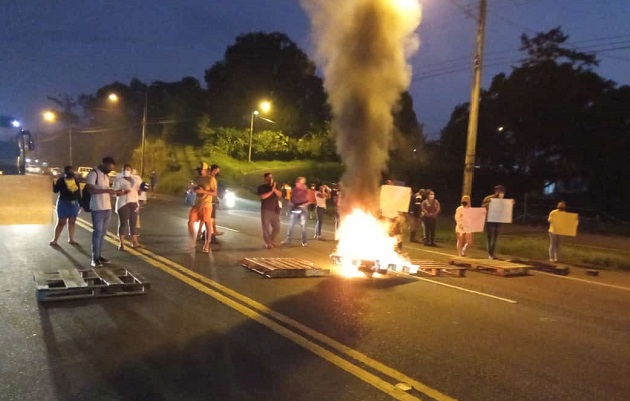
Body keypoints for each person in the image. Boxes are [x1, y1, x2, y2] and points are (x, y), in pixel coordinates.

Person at [86, 157, 124, 267]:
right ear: (103, 163)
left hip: (107, 208)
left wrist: (116, 193)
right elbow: (90, 189)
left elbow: (106, 191)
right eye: (109, 168)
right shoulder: (93, 174)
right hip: (97, 208)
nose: (109, 171)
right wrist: (107, 190)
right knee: (97, 233)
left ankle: (99, 256)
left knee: (102, 234)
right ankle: (95, 258)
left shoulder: (106, 175)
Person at [187, 162, 217, 253]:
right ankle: (193, 240)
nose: (200, 171)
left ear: (206, 170)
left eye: (201, 169)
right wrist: (192, 189)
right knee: (190, 222)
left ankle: (207, 244)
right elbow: (192, 189)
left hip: (206, 205)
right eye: (199, 169)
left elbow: (215, 193)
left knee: (207, 224)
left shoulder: (211, 179)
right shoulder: (197, 178)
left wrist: (204, 191)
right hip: (197, 204)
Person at [49, 165, 81, 246]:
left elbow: (78, 193)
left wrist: (80, 204)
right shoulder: (61, 180)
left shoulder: (75, 180)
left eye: (72, 171)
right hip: (63, 203)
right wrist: (52, 182)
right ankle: (55, 240)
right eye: (69, 171)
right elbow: (55, 190)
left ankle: (71, 239)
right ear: (65, 172)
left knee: (72, 222)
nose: (71, 172)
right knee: (61, 222)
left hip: (74, 203)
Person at [113, 164, 142, 250]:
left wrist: (141, 190)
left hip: (134, 203)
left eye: (129, 169)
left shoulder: (136, 180)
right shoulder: (119, 180)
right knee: (123, 223)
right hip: (123, 204)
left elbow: (139, 192)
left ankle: (135, 242)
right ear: (123, 170)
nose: (127, 171)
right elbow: (115, 193)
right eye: (125, 169)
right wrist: (124, 192)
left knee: (133, 223)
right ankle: (121, 243)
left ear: (132, 170)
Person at [482, 185, 515, 259]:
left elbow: (506, 209)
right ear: (496, 191)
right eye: (500, 191)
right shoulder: (489, 198)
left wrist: (511, 203)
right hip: (490, 220)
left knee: (495, 237)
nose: (501, 193)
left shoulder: (503, 200)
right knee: (490, 237)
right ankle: (490, 253)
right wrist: (488, 204)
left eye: (502, 191)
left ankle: (492, 253)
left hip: (498, 220)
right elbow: (483, 207)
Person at [281, 177, 311, 246]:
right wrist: (290, 203)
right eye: (300, 183)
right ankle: (288, 239)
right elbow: (290, 198)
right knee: (291, 224)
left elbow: (309, 201)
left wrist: (304, 205)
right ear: (297, 183)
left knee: (303, 225)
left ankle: (304, 241)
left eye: (303, 183)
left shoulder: (306, 191)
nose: (302, 184)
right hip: (295, 208)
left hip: (303, 209)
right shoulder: (294, 190)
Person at [257, 173, 282, 248]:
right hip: (266, 209)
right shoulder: (262, 187)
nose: (270, 179)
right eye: (268, 177)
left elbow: (280, 195)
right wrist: (271, 191)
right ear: (265, 179)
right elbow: (263, 197)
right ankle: (268, 243)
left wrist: (274, 189)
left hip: (275, 210)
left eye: (271, 177)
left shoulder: (275, 187)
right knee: (266, 228)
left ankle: (271, 239)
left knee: (277, 228)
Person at [208, 164, 222, 245]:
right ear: (214, 170)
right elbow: (214, 192)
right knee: (211, 219)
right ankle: (211, 236)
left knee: (211, 218)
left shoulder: (210, 178)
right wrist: (217, 201)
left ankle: (212, 232)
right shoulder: (211, 178)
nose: (218, 172)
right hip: (210, 201)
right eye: (217, 170)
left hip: (210, 201)